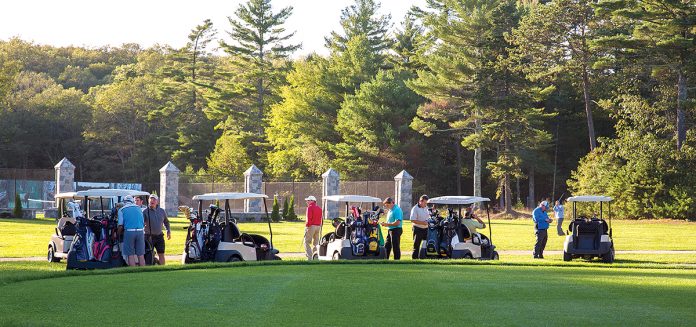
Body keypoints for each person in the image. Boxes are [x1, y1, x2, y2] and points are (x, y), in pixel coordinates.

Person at [118, 195, 145, 266]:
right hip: (140, 231)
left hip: (129, 232)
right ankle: (144, 271)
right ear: (132, 201)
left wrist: (118, 234)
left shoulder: (121, 210)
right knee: (141, 254)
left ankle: (133, 271)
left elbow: (120, 225)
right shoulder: (139, 208)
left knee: (130, 254)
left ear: (124, 202)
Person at [143, 194, 171, 265]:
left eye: (154, 199)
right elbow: (141, 223)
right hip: (148, 237)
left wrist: (168, 231)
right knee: (149, 254)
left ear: (157, 201)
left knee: (161, 253)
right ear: (148, 200)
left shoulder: (162, 211)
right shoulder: (145, 211)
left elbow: (166, 222)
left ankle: (162, 269)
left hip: (159, 236)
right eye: (151, 199)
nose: (152, 200)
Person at [410, 195, 430, 259]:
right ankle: (415, 259)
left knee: (427, 244)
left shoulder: (427, 207)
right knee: (416, 245)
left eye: (426, 203)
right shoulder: (415, 208)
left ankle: (424, 257)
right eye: (425, 203)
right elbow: (412, 220)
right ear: (420, 201)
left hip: (426, 229)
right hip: (418, 229)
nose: (426, 204)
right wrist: (423, 223)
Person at [303, 195, 322, 260]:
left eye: (308, 200)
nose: (307, 201)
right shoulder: (319, 208)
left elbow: (309, 219)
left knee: (306, 242)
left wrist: (307, 227)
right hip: (318, 226)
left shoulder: (309, 208)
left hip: (311, 226)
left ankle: (310, 257)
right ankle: (315, 257)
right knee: (316, 243)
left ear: (312, 201)